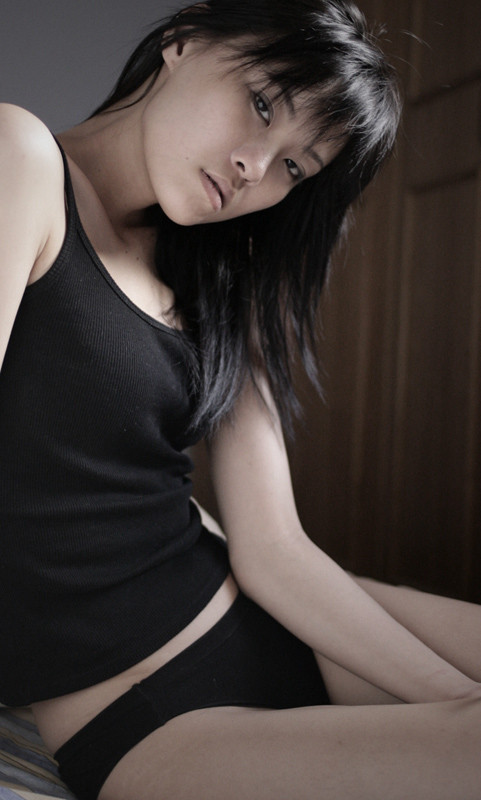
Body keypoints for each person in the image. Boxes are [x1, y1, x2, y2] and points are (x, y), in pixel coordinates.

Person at [0, 1, 480, 798]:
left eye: (295, 166)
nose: (256, 168)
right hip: (145, 714)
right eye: (261, 103)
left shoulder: (223, 276)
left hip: (280, 619)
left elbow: (274, 548)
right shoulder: (20, 159)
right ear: (183, 41)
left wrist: (455, 701)